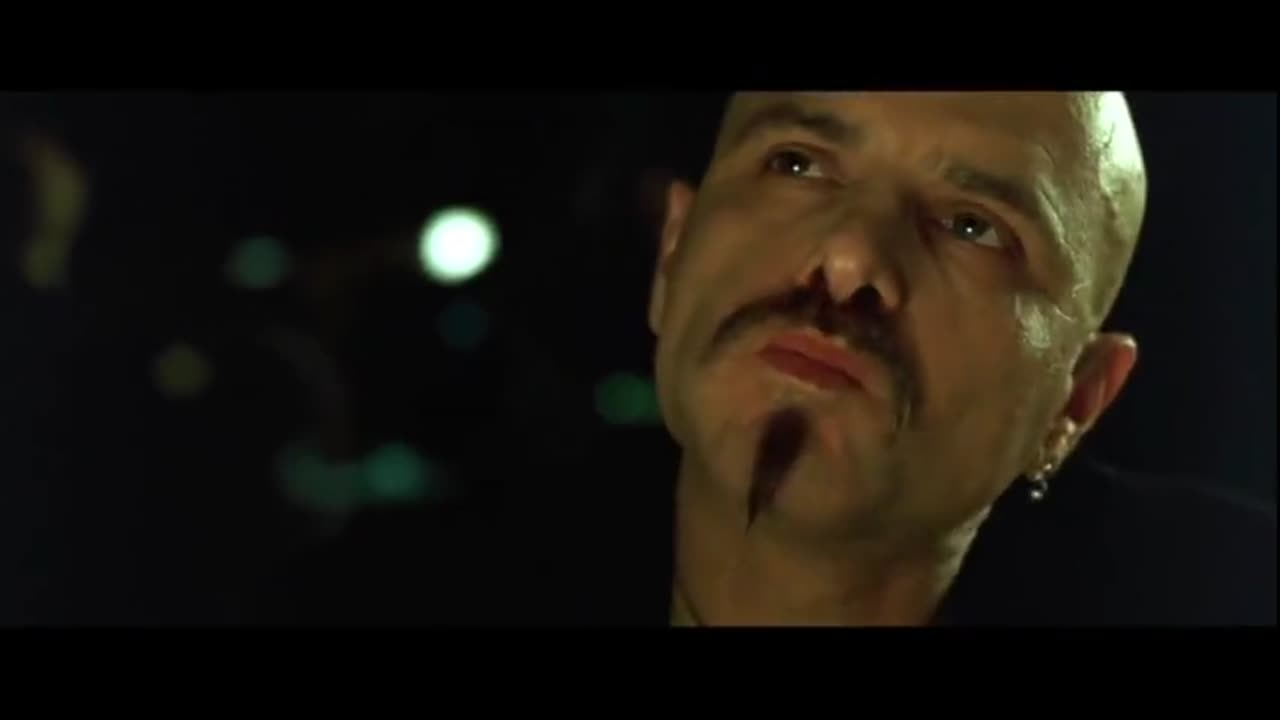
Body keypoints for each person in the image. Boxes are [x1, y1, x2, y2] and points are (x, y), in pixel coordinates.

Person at [252, 92, 1275, 627]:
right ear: (670, 258)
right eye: (797, 163)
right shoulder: (370, 599)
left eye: (973, 225)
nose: (848, 258)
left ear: (1076, 403)